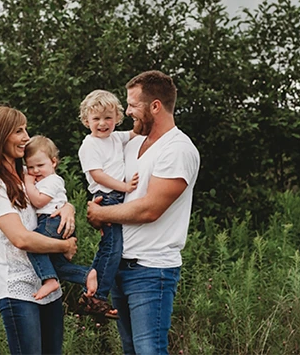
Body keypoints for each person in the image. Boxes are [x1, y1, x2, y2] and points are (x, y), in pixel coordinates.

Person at [87, 71, 200, 355]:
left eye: (133, 105)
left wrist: (102, 215)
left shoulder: (178, 149)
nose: (127, 112)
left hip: (152, 269)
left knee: (149, 350)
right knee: (130, 350)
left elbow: (150, 209)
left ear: (155, 106)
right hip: (120, 265)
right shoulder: (133, 143)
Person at [0, 106, 78, 355]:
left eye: (25, 130)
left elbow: (52, 200)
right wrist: (64, 245)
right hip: (17, 288)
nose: (26, 137)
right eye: (18, 131)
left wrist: (68, 207)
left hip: (47, 283)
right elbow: (20, 238)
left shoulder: (28, 176)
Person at [76, 90, 139, 317]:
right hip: (107, 197)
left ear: (117, 118)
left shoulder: (116, 137)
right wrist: (124, 187)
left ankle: (92, 293)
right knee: (113, 249)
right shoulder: (89, 145)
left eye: (108, 118)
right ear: (86, 121)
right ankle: (97, 297)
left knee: (111, 247)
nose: (102, 123)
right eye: (96, 118)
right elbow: (97, 175)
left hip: (117, 197)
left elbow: (136, 132)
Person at [23, 135, 103, 308]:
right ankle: (86, 275)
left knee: (33, 245)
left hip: (51, 221)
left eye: (40, 165)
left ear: (53, 162)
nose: (35, 171)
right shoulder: (43, 178)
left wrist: (28, 183)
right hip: (54, 222)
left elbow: (39, 201)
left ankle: (49, 281)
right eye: (30, 167)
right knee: (57, 264)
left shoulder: (53, 180)